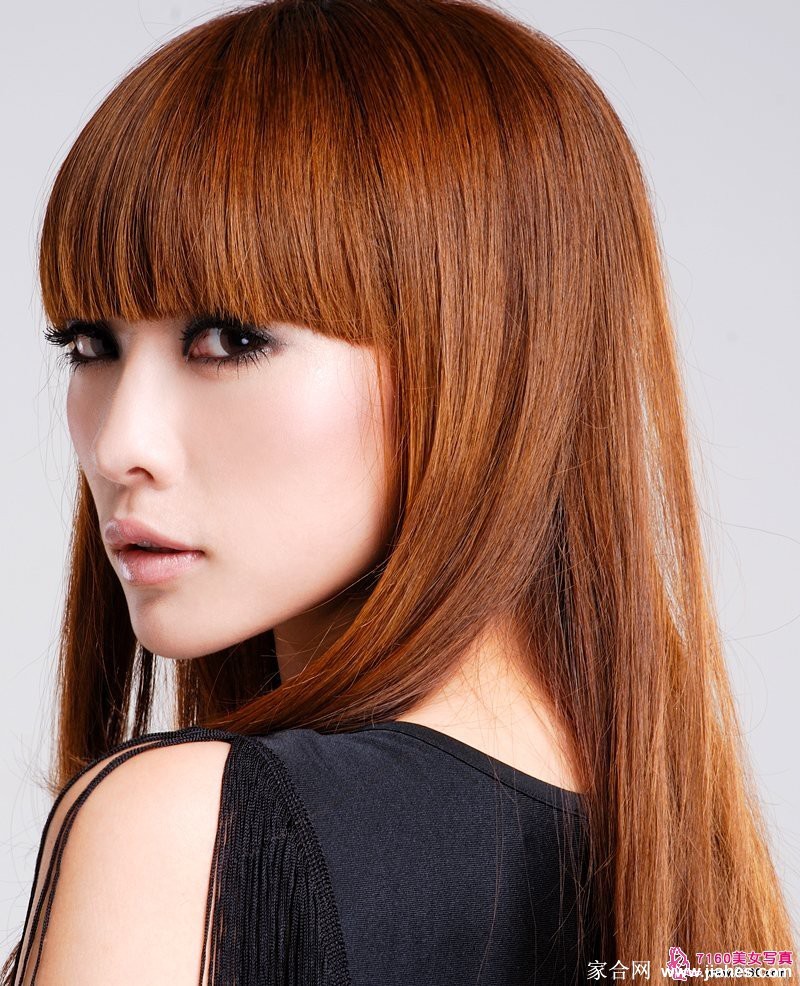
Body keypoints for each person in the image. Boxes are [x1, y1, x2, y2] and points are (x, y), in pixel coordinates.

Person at [4, 0, 795, 982]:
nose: (120, 442)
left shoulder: (182, 826)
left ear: (486, 364)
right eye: (90, 346)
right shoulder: (680, 879)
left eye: (229, 340)